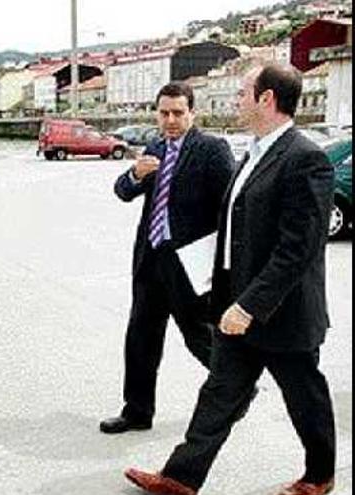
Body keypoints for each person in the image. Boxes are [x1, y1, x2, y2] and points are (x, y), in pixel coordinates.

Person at [125, 62, 336, 495]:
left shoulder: (304, 158)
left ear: (267, 99)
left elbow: (299, 249)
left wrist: (249, 305)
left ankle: (320, 476)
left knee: (305, 397)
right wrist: (223, 297)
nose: (237, 100)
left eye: (243, 92)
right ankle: (181, 478)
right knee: (219, 394)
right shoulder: (254, 152)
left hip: (281, 313)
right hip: (236, 306)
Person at [101, 82, 235, 434]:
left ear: (192, 112)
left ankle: (237, 386)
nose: (171, 120)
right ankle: (137, 412)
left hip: (190, 264)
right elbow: (123, 191)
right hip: (150, 259)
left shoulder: (211, 149)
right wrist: (135, 174)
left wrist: (222, 262)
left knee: (199, 336)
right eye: (164, 113)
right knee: (141, 337)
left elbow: (231, 208)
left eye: (178, 113)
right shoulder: (155, 146)